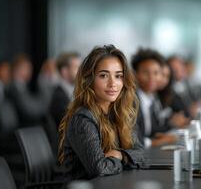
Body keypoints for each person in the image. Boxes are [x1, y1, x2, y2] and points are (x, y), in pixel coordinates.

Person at [58, 45, 145, 181]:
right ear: (89, 80)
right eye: (103, 75)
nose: (112, 83)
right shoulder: (83, 118)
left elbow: (141, 153)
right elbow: (100, 168)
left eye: (118, 76)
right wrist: (128, 159)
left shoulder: (119, 113)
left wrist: (120, 155)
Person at [131, 48, 177, 148]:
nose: (151, 77)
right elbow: (132, 139)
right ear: (135, 74)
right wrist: (156, 142)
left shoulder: (151, 98)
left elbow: (152, 131)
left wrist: (164, 134)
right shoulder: (131, 100)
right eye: (145, 72)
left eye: (156, 73)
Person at [49, 52, 81, 127]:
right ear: (65, 71)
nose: (81, 71)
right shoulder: (59, 97)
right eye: (77, 67)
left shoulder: (71, 92)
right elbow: (73, 125)